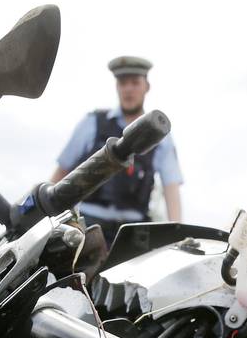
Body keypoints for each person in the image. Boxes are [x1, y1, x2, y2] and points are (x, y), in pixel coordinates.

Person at [51, 56, 182, 246]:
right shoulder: (92, 123)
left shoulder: (160, 136)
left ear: (147, 86)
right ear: (117, 86)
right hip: (85, 227)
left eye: (135, 83)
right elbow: (60, 175)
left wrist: (176, 236)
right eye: (123, 82)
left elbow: (171, 189)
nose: (128, 89)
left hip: (132, 235)